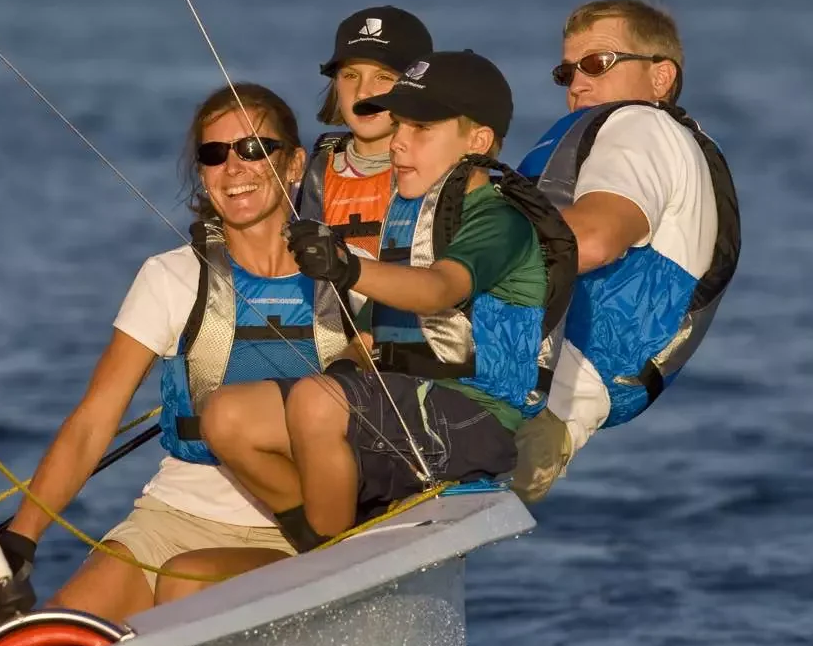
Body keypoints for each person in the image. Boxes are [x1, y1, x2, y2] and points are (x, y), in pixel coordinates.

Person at [151, 51, 577, 602]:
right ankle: (318, 545)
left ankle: (334, 579)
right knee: (227, 415)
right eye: (398, 126)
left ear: (477, 142)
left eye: (420, 128)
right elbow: (378, 331)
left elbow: (439, 289)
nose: (397, 141)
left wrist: (347, 266)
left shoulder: (496, 218)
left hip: (472, 422)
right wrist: (348, 362)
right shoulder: (410, 211)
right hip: (406, 407)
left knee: (317, 401)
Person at [0, 84, 354, 622]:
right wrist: (22, 538)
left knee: (185, 590)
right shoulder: (168, 277)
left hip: (299, 530)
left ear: (295, 162)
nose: (235, 167)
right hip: (173, 516)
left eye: (256, 148)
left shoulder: (353, 273)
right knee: (61, 632)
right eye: (215, 154)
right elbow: (95, 419)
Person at [511, 0, 740, 502]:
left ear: (660, 78)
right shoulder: (662, 142)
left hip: (535, 399)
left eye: (597, 64)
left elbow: (592, 241)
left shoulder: (641, 126)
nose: (578, 84)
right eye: (566, 72)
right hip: (564, 401)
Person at [298, 6, 434, 257]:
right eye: (350, 75)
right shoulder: (306, 179)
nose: (362, 93)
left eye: (383, 77)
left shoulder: (446, 175)